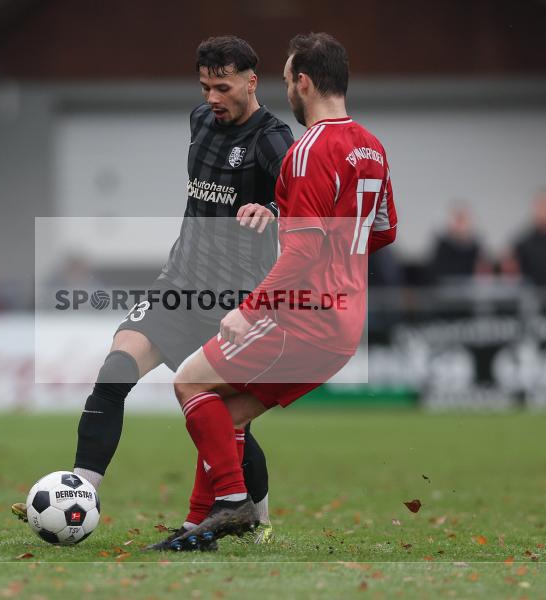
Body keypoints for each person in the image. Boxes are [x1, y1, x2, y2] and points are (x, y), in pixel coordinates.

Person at [13, 36, 295, 544]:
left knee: (227, 423)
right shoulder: (200, 120)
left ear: (252, 82)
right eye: (206, 85)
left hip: (230, 304)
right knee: (116, 367)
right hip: (177, 285)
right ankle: (80, 489)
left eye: (224, 87)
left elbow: (308, 202)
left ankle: (257, 518)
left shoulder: (273, 140)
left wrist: (273, 210)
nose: (213, 97)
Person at [149, 32, 398, 551]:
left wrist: (251, 307)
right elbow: (383, 230)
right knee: (227, 415)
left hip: (304, 314)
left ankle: (235, 504)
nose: (286, 89)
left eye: (287, 79)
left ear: (302, 81)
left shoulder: (308, 150)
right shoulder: (372, 147)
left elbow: (303, 252)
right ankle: (201, 527)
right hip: (346, 324)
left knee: (191, 384)